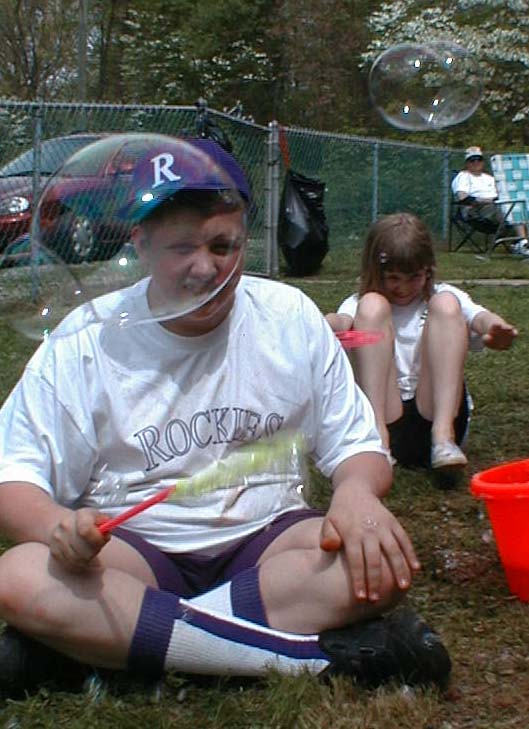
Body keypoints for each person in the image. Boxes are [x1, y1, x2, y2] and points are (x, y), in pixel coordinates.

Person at [0, 137, 451, 697]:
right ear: (139, 244)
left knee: (379, 564)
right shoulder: (86, 339)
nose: (204, 266)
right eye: (180, 247)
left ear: (244, 236)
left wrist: (355, 495)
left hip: (268, 543)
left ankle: (119, 645)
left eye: (223, 245)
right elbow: (14, 479)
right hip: (136, 554)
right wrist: (55, 528)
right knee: (18, 576)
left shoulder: (287, 317)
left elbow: (356, 446)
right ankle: (309, 660)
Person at [325, 212, 517, 472]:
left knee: (448, 303)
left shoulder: (440, 295)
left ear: (428, 271)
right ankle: (376, 440)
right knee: (371, 306)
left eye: (414, 277)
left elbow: (479, 317)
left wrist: (494, 327)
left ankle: (443, 439)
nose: (403, 288)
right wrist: (326, 324)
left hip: (435, 415)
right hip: (384, 418)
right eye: (393, 278)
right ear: (375, 271)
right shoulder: (358, 305)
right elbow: (343, 323)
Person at [451, 145, 529, 256]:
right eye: (472, 160)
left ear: (483, 162)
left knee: (519, 207)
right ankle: (523, 242)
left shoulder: (490, 178)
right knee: (511, 211)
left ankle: (521, 243)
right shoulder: (463, 176)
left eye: (479, 159)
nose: (476, 162)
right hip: (477, 209)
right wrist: (486, 200)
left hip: (500, 204)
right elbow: (462, 197)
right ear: (467, 163)